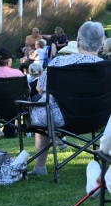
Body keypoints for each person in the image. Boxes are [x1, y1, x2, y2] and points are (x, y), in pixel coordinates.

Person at [28, 21, 105, 175]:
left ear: (77, 42)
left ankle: (40, 166)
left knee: (44, 109)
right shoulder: (107, 66)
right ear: (101, 43)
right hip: (100, 119)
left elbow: (40, 88)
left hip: (64, 119)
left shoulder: (59, 63)